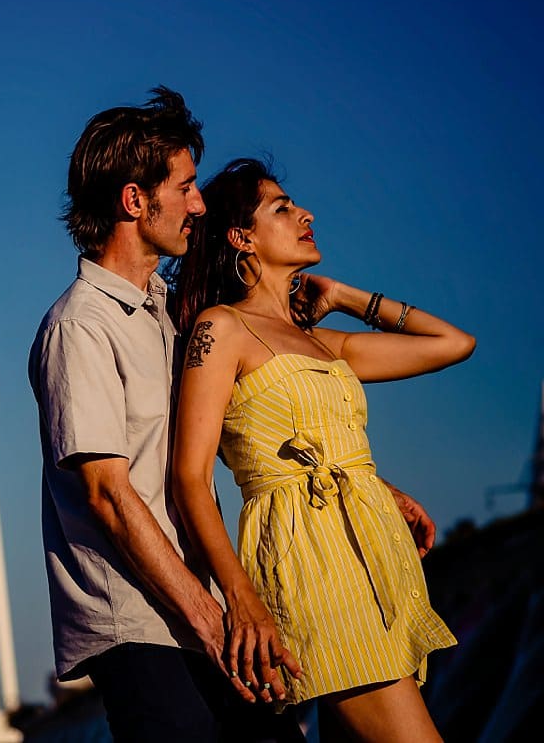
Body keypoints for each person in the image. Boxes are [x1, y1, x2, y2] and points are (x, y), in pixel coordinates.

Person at [29, 89, 303, 741]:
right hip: (141, 626)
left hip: (197, 613)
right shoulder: (79, 326)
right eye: (184, 187)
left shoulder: (166, 315)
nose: (198, 204)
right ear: (134, 200)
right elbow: (108, 494)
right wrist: (211, 616)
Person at [169, 158, 474, 741]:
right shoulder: (221, 328)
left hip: (376, 556)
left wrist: (343, 296)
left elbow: (454, 343)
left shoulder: (322, 343)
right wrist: (241, 599)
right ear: (241, 238)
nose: (305, 214)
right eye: (282, 208)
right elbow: (189, 477)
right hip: (310, 562)